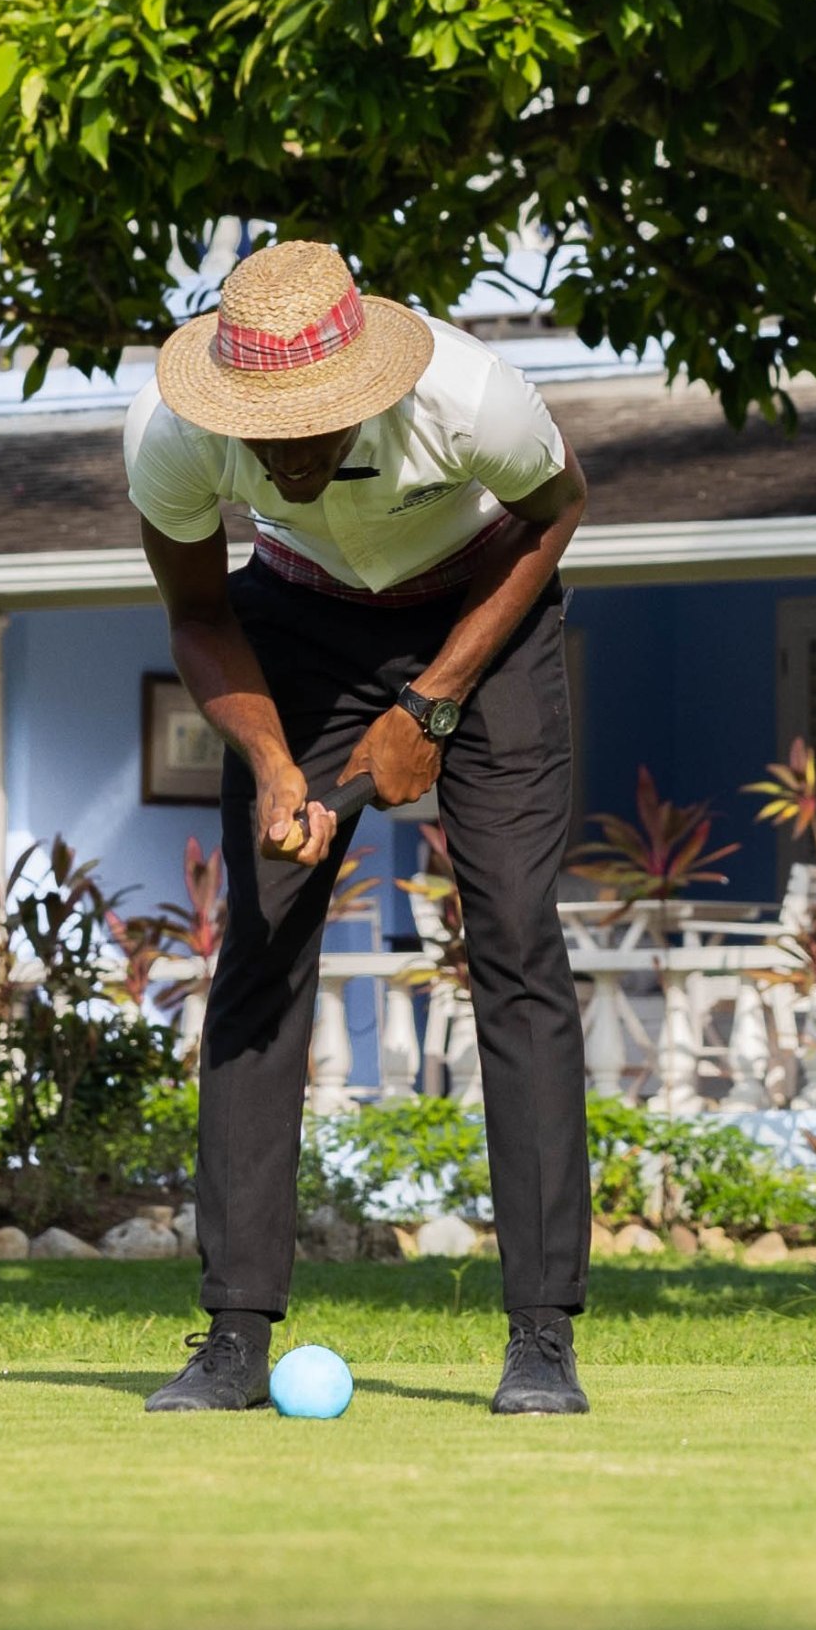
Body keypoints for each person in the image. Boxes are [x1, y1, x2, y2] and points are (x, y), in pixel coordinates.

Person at [125, 241, 596, 1416]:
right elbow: (196, 610)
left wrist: (431, 701)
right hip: (295, 618)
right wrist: (274, 759)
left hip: (489, 604)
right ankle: (232, 1333)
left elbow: (555, 514)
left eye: (312, 430)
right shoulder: (171, 434)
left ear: (370, 388)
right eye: (266, 432)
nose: (286, 457)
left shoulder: (473, 396)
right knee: (262, 951)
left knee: (513, 939)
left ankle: (541, 1334)